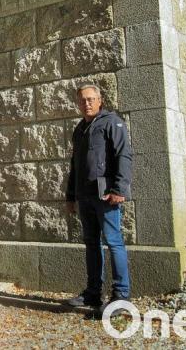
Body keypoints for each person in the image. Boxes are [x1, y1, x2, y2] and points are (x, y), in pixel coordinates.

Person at [65, 85, 132, 312]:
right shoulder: (79, 129)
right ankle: (93, 293)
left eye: (91, 99)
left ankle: (121, 296)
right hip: (85, 196)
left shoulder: (112, 122)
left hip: (106, 196)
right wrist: (71, 196)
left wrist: (119, 190)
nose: (87, 103)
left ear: (100, 100)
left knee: (113, 242)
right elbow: (75, 165)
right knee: (92, 243)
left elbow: (123, 155)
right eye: (83, 100)